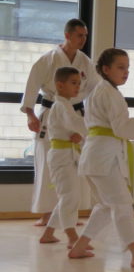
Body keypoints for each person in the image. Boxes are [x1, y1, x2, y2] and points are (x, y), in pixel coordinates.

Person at [68, 48, 134, 268]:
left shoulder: (103, 91)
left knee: (105, 205)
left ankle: (80, 246)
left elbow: (117, 127)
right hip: (103, 157)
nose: (126, 72)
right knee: (122, 203)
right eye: (121, 67)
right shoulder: (108, 93)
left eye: (127, 68)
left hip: (97, 155)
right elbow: (120, 128)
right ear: (106, 69)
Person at [20, 19, 96, 226]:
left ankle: (70, 212)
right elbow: (31, 87)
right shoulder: (49, 59)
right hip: (51, 114)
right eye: (79, 35)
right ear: (67, 35)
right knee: (47, 164)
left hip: (76, 114)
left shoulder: (85, 62)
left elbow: (95, 90)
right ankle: (47, 214)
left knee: (77, 163)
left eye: (85, 35)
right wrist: (30, 115)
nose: (83, 39)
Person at [38, 67, 87, 247]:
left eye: (79, 83)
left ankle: (48, 233)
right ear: (59, 85)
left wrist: (79, 135)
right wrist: (94, 125)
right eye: (73, 83)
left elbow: (71, 128)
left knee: (70, 195)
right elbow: (74, 123)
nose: (77, 87)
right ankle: (72, 236)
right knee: (69, 196)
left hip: (67, 154)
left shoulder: (65, 105)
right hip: (61, 156)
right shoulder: (61, 105)